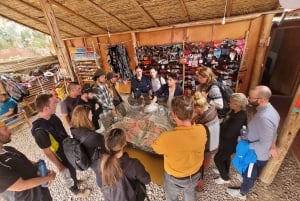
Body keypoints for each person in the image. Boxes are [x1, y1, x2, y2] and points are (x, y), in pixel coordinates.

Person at [31, 93, 91, 198]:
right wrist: (59, 166)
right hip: (59, 154)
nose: (56, 105)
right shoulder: (39, 130)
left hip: (66, 148)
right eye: (54, 104)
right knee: (66, 171)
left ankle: (75, 181)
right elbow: (47, 151)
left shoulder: (52, 116)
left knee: (72, 167)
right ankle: (76, 192)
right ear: (45, 108)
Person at [227, 86, 280, 200]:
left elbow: (264, 145)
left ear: (261, 100)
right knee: (248, 171)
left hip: (256, 156)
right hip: (254, 152)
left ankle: (242, 193)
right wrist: (273, 144)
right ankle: (244, 176)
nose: (248, 99)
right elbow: (274, 132)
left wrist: (244, 144)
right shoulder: (269, 110)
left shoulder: (264, 117)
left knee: (250, 176)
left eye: (251, 97)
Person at [151, 95, 207, 201]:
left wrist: (157, 134)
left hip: (174, 178)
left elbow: (156, 148)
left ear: (174, 115)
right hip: (194, 174)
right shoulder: (201, 130)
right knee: (190, 193)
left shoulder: (167, 138)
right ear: (192, 112)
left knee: (171, 197)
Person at [0, 120, 56, 201]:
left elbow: (26, 162)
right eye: (5, 129)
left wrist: (42, 169)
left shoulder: (8, 149)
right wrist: (49, 177)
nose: (10, 131)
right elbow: (20, 186)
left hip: (41, 194)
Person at [92, 128, 150, 201]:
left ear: (107, 145)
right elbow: (147, 180)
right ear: (124, 143)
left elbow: (100, 184)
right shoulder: (134, 164)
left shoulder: (101, 163)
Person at [213, 93, 248, 184]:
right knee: (225, 157)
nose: (229, 103)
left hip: (230, 143)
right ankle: (224, 171)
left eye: (231, 102)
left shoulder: (240, 117)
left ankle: (225, 178)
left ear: (237, 104)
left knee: (217, 159)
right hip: (225, 141)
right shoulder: (234, 111)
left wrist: (218, 130)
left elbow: (229, 134)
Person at [192, 91, 220, 191]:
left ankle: (199, 183)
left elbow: (198, 137)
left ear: (199, 107)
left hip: (208, 147)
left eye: (195, 109)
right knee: (203, 164)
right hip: (214, 142)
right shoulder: (212, 110)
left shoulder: (204, 123)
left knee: (200, 166)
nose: (194, 111)